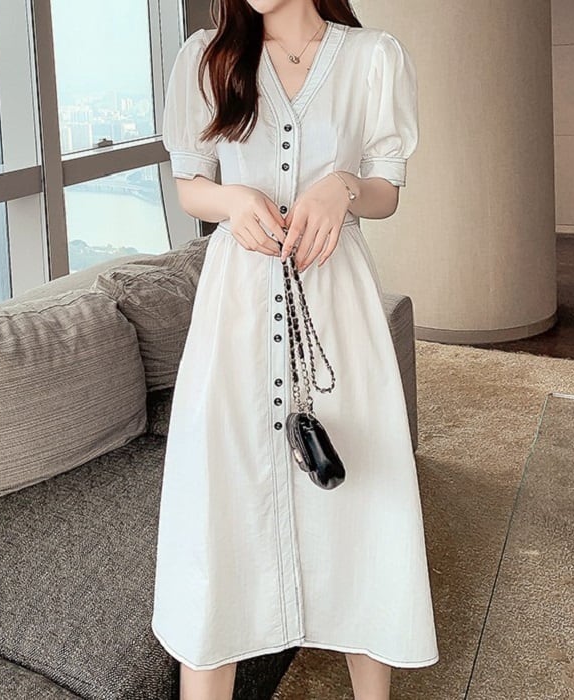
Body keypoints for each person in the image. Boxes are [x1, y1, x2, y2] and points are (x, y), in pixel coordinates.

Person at [150, 1, 439, 698]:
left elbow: (386, 190)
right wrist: (233, 203)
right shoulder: (207, 57)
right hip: (235, 312)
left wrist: (344, 187)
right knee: (218, 513)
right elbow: (191, 186)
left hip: (338, 306)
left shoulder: (373, 58)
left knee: (365, 506)